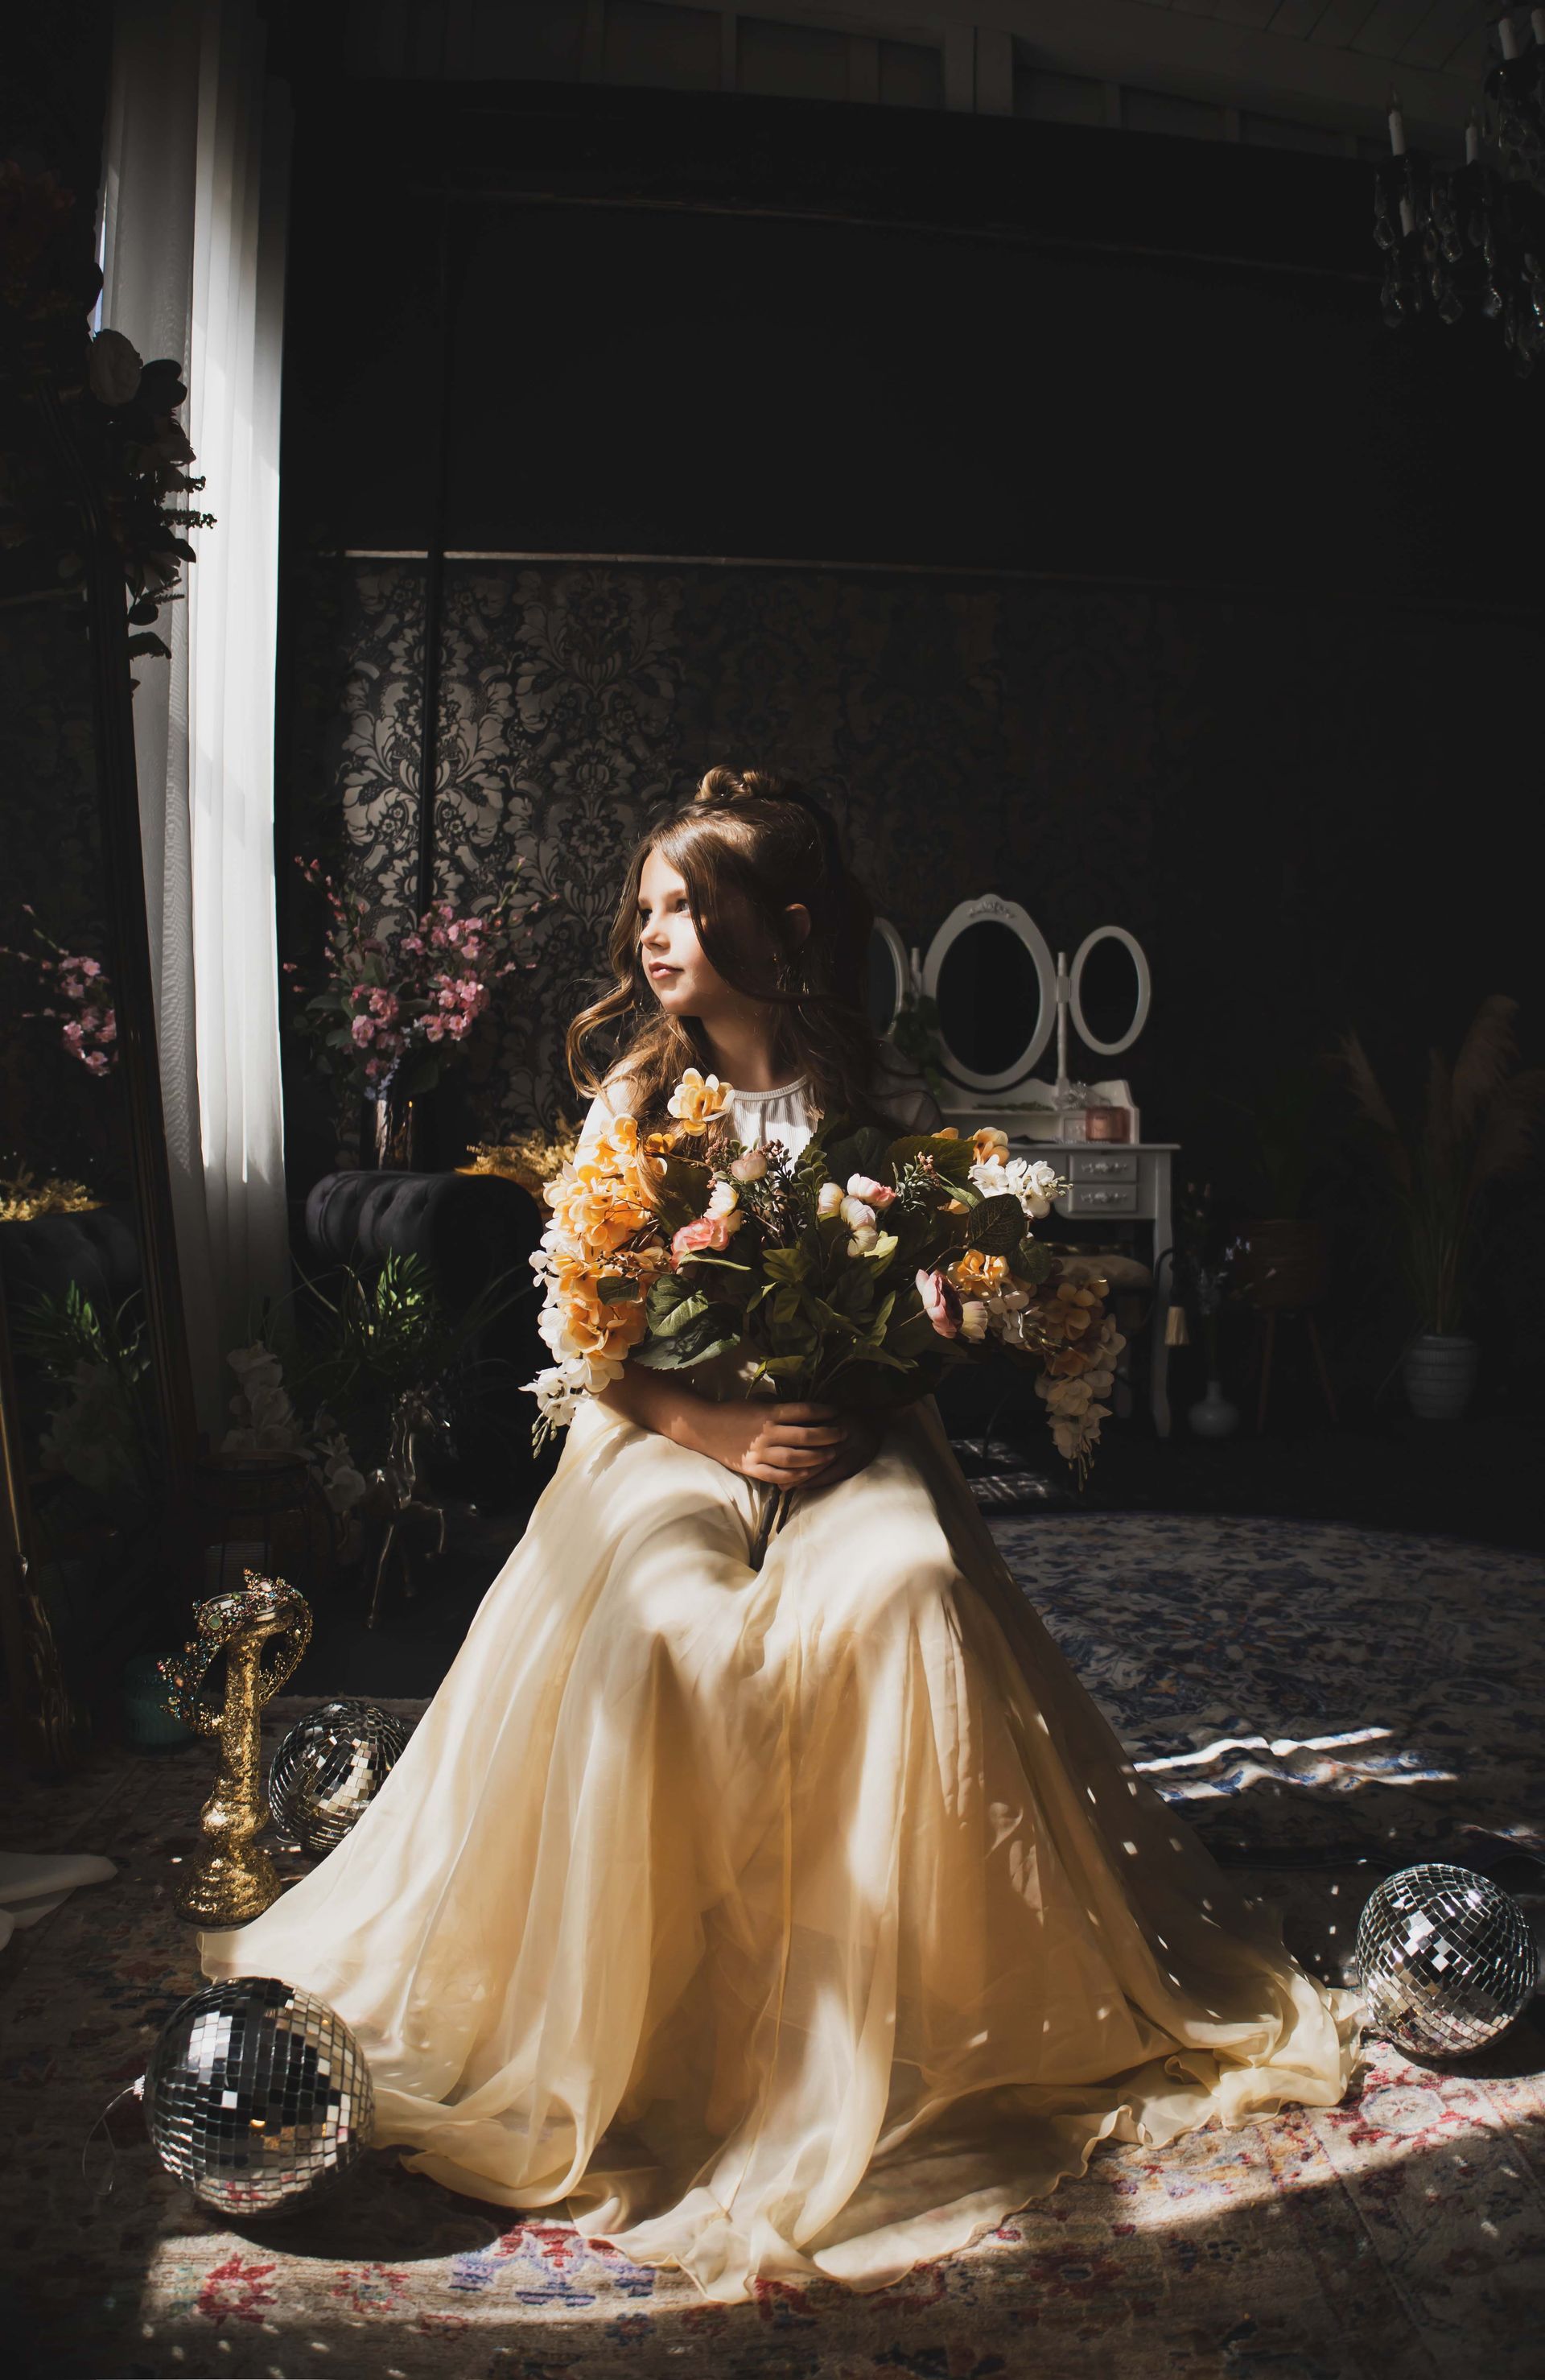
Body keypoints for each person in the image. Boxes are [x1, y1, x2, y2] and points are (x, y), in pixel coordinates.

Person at [203, 767, 1359, 2304]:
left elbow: (929, 1318)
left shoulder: (878, 1114)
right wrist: (725, 1432)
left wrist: (897, 1364)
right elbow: (590, 1336)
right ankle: (667, 2022)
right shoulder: (636, 1108)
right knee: (677, 1627)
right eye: (652, 908)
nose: (659, 932)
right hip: (666, 1437)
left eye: (692, 905)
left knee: (914, 1586)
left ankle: (911, 2006)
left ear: (783, 925)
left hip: (847, 1439)